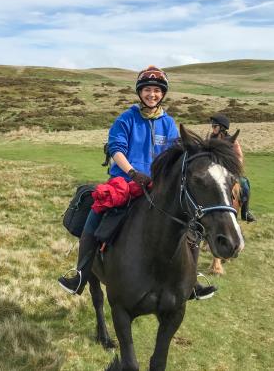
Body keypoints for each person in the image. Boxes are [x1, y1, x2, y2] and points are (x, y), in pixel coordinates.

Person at [58, 65, 218, 299]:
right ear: (139, 92)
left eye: (156, 90)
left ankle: (191, 282)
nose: (151, 94)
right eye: (147, 90)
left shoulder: (168, 123)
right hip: (125, 182)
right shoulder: (126, 119)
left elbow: (175, 154)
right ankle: (81, 274)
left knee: (189, 226)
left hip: (158, 187)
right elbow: (116, 149)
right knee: (95, 215)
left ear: (162, 94)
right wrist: (133, 173)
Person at [209, 113, 256, 222]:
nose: (213, 129)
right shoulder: (211, 139)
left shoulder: (232, 141)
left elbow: (239, 157)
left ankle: (245, 212)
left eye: (214, 126)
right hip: (213, 169)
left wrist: (232, 168)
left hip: (229, 171)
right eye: (212, 126)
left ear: (222, 128)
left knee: (244, 183)